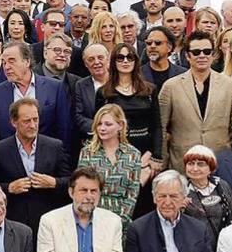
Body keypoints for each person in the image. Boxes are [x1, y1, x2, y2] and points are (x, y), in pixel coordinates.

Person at [159, 30, 232, 172]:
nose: (202, 56)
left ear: (213, 54)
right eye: (196, 52)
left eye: (206, 51)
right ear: (187, 55)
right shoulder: (171, 86)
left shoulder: (230, 85)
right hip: (182, 163)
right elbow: (161, 127)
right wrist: (162, 161)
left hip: (220, 161)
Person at [0, 97, 70, 243]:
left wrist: (54, 183)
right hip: (13, 224)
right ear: (14, 122)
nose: (33, 125)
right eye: (27, 121)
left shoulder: (55, 146)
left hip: (48, 222)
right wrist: (9, 188)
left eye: (36, 119)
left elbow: (70, 183)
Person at [0, 42, 70, 147]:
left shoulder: (55, 88)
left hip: (47, 158)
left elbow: (64, 130)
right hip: (11, 160)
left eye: (11, 61)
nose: (6, 67)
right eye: (4, 63)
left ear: (27, 62)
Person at [95, 43, 161, 171]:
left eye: (130, 57)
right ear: (113, 61)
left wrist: (155, 155)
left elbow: (157, 125)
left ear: (135, 61)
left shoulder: (150, 90)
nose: (125, 61)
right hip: (114, 151)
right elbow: (99, 127)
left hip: (145, 153)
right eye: (120, 58)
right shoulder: (103, 92)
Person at [77, 104, 143, 231]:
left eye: (108, 124)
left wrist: (121, 220)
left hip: (122, 219)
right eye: (99, 124)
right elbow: (82, 188)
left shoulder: (133, 154)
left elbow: (132, 193)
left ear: (120, 126)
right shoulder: (87, 153)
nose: (102, 128)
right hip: (92, 215)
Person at [181, 145, 232, 248]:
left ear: (210, 168)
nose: (195, 168)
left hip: (225, 246)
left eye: (200, 164)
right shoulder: (181, 190)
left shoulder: (221, 185)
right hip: (196, 249)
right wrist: (179, 209)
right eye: (190, 164)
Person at [72, 43, 110, 138]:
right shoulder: (80, 85)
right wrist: (99, 128)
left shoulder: (120, 81)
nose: (96, 62)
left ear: (108, 59)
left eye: (100, 58)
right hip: (92, 138)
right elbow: (78, 116)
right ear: (85, 64)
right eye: (91, 59)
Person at [141, 26, 185, 91]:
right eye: (149, 43)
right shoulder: (137, 74)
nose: (152, 46)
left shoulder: (182, 74)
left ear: (169, 47)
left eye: (158, 43)